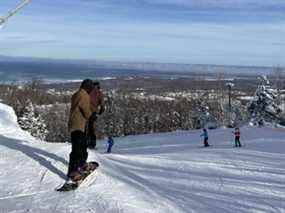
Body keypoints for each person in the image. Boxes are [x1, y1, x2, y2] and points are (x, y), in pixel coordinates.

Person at [67, 79, 97, 181]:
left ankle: (81, 165)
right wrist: (91, 115)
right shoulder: (83, 95)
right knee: (78, 149)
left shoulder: (77, 93)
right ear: (87, 87)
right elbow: (85, 109)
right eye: (91, 88)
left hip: (77, 124)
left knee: (82, 146)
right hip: (78, 125)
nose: (91, 91)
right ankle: (74, 172)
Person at [87, 81, 105, 149]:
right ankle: (92, 145)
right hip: (94, 113)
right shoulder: (99, 93)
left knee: (86, 128)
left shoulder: (88, 92)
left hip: (86, 112)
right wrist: (99, 113)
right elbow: (102, 106)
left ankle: (86, 143)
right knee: (92, 129)